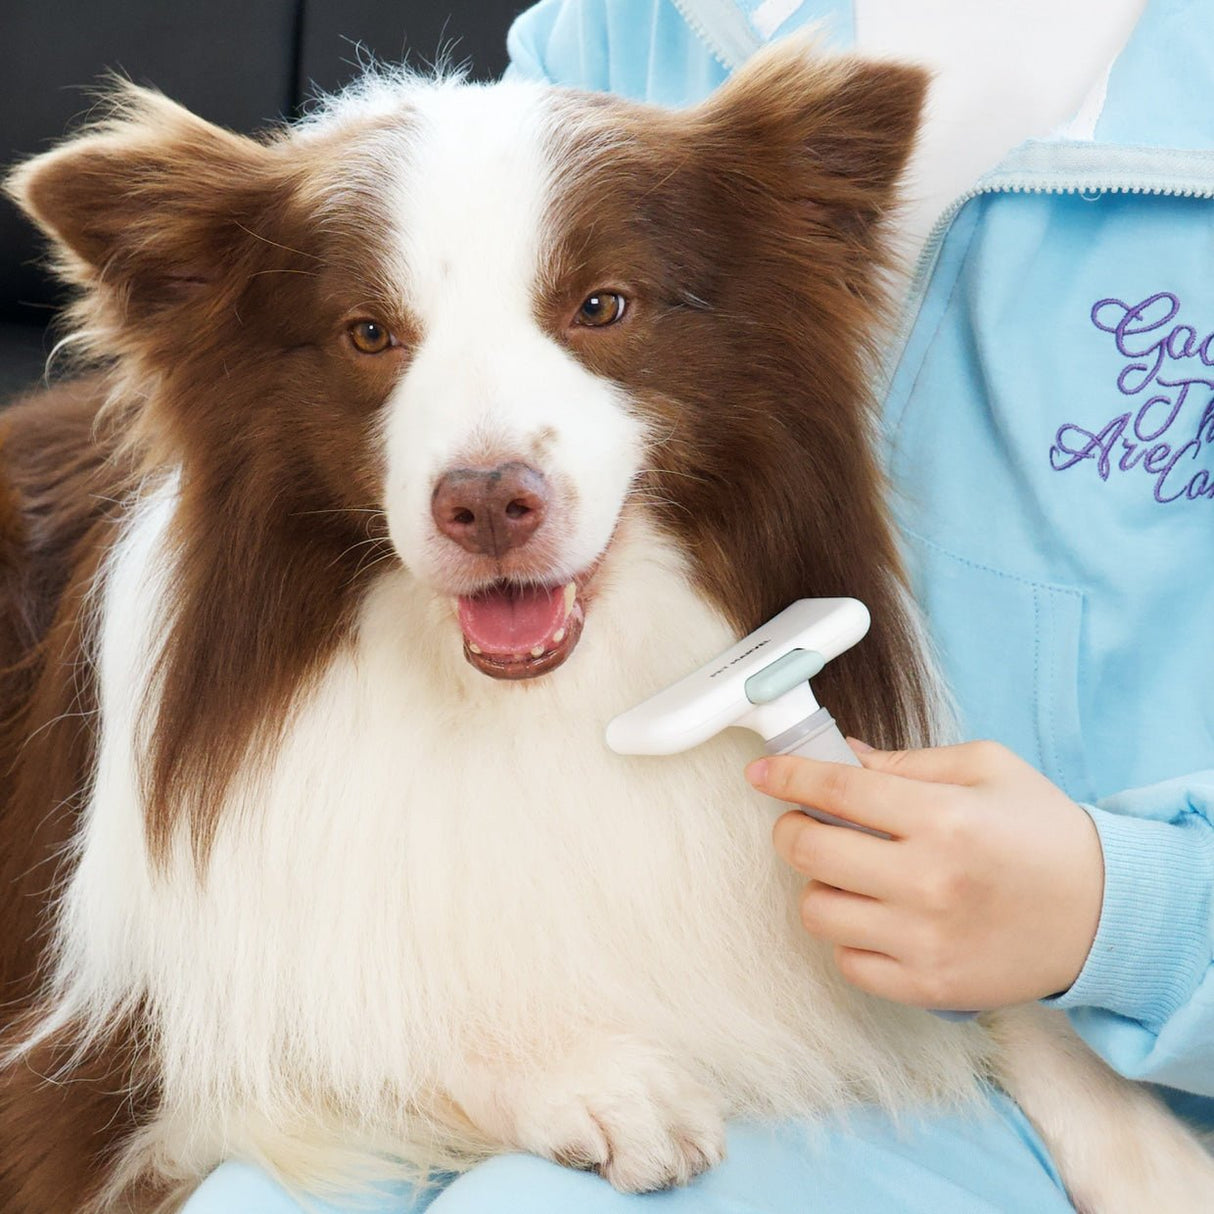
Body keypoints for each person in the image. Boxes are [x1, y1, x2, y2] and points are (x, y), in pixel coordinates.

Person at [186, 0, 1214, 1208]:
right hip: (652, 921)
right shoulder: (630, 23)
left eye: (601, 308)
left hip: (1112, 1040)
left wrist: (1120, 913)